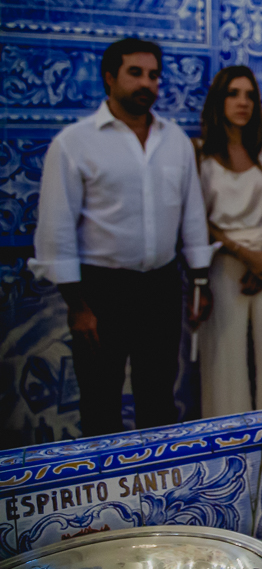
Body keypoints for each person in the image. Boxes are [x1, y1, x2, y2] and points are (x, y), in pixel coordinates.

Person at [31, 38, 213, 436]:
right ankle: (107, 496)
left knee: (158, 395)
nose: (146, 83)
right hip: (101, 290)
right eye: (136, 73)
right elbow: (56, 226)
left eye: (153, 75)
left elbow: (192, 215)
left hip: (161, 286)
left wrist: (200, 280)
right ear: (109, 78)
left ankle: (158, 490)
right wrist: (77, 306)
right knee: (100, 397)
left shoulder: (175, 141)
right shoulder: (75, 143)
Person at [195, 65, 262, 417]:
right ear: (218, 100)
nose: (243, 102)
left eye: (250, 96)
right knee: (225, 357)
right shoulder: (201, 153)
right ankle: (228, 443)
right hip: (224, 260)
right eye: (234, 94)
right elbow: (197, 220)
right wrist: (244, 254)